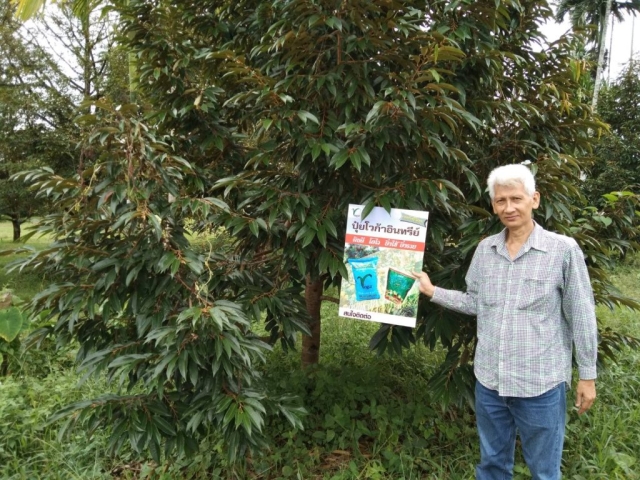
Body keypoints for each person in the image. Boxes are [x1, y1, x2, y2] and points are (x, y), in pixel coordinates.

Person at [413, 164, 597, 480]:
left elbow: (581, 313)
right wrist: (432, 291)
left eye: (516, 198)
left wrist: (588, 376)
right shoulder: (486, 250)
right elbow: (475, 302)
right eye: (500, 201)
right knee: (492, 466)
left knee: (544, 471)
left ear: (534, 199)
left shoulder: (562, 250)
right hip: (490, 383)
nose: (508, 208)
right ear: (494, 204)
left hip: (540, 385)